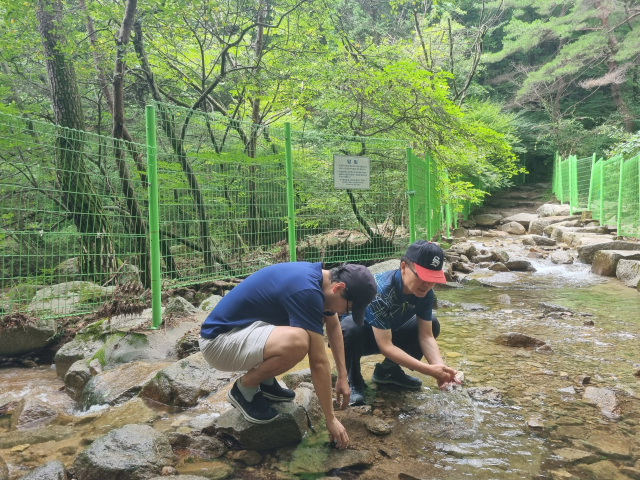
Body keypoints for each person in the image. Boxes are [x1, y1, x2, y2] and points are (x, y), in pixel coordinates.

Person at [199, 261, 377, 449]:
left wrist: (343, 376)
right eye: (348, 308)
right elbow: (318, 361)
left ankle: (265, 381)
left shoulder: (321, 282)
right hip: (218, 343)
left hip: (241, 332)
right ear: (339, 287)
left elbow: (333, 327)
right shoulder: (306, 291)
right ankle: (245, 388)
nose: (343, 313)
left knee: (317, 321)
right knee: (298, 341)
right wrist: (330, 418)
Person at [341, 240, 460, 405]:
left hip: (389, 330)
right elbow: (386, 346)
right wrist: (429, 371)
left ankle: (388, 372)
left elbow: (426, 336)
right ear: (403, 267)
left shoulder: (425, 292)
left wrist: (441, 370)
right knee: (350, 326)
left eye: (433, 278)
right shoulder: (380, 291)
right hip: (360, 338)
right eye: (422, 277)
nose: (428, 284)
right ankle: (353, 381)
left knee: (432, 323)